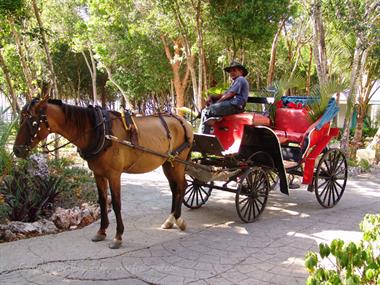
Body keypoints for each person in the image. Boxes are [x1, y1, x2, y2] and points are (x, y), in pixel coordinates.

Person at [200, 61, 249, 133]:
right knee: (208, 109)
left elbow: (230, 94)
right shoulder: (235, 82)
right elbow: (224, 94)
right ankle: (212, 130)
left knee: (207, 111)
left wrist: (217, 103)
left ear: (241, 71)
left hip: (235, 106)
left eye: (234, 70)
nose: (231, 73)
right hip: (232, 105)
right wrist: (211, 96)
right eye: (230, 71)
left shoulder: (240, 79)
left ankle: (203, 136)